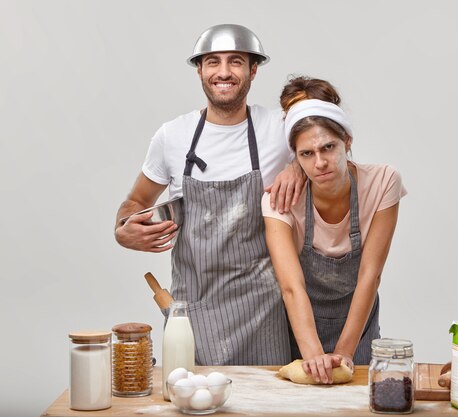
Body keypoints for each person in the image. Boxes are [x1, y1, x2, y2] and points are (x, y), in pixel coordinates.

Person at [114, 24, 304, 366]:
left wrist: (298, 167)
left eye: (235, 61)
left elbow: (331, 154)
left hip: (264, 310)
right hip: (194, 313)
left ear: (253, 70)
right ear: (200, 70)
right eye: (213, 62)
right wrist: (123, 230)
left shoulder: (279, 126)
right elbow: (135, 202)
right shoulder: (172, 136)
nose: (224, 72)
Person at [262, 76, 407, 383]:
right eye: (307, 154)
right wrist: (313, 354)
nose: (320, 163)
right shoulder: (278, 201)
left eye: (329, 147)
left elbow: (370, 275)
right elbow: (291, 287)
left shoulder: (382, 183)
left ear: (347, 142)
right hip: (297, 331)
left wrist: (344, 353)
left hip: (359, 329)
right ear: (295, 156)